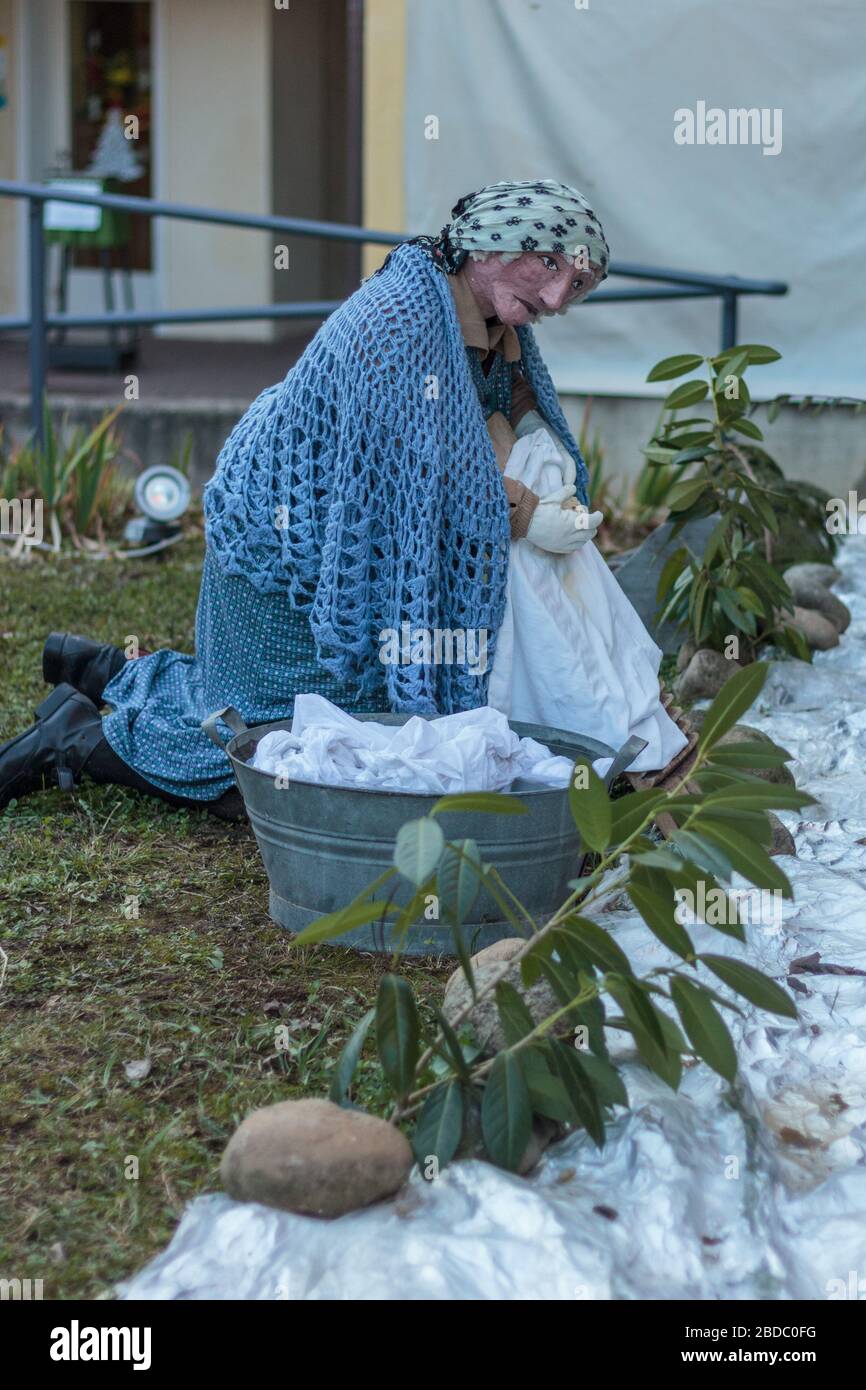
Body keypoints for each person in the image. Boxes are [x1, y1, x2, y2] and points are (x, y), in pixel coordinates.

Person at [0, 179, 687, 816]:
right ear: (492, 245)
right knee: (298, 765)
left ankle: (104, 668)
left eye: (580, 283)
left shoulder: (493, 321)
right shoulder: (397, 324)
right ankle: (78, 738)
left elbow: (512, 410)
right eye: (552, 267)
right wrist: (531, 515)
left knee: (344, 734)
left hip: (335, 548)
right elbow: (419, 482)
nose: (562, 296)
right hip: (288, 557)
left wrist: (540, 453)